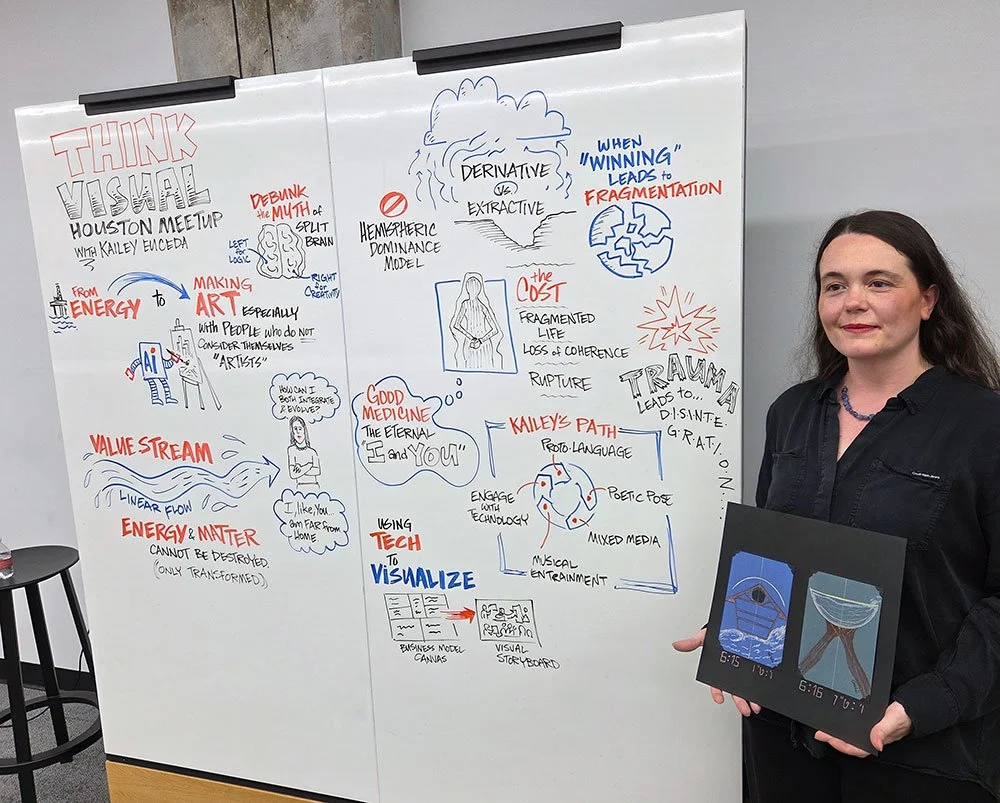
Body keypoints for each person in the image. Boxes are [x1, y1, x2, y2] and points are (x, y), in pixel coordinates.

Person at [673, 210, 1000, 802]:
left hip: (921, 751)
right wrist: (737, 636)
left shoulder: (984, 426)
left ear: (927, 300)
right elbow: (775, 559)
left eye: (879, 282)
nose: (853, 302)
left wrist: (918, 707)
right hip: (783, 736)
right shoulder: (793, 413)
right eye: (834, 285)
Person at [449, 271, 503, 370]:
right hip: (481, 342)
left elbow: (456, 325)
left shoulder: (472, 305)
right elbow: (495, 330)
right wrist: (479, 340)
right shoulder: (481, 306)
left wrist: (473, 338)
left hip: (475, 342)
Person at [287, 416, 321, 489]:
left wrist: (300, 469)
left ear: (304, 430)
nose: (298, 432)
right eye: (295, 429)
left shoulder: (312, 452)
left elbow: (317, 471)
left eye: (300, 428)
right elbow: (293, 474)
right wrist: (309, 465)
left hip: (314, 486)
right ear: (292, 432)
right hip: (300, 487)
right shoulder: (291, 450)